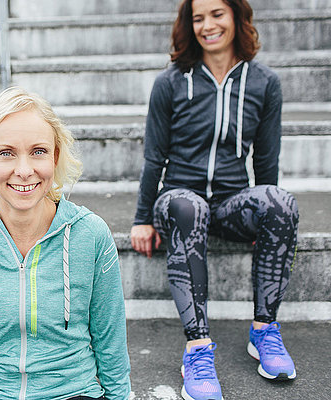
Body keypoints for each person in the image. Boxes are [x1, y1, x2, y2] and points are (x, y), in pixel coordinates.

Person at [130, 0, 299, 399]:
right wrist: (142, 218)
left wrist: (266, 220)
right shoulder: (171, 82)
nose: (208, 25)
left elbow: (267, 159)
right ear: (189, 25)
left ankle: (264, 333)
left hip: (230, 202)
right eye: (198, 17)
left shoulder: (264, 82)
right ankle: (197, 350)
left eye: (217, 14)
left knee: (280, 201)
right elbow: (154, 156)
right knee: (190, 206)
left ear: (237, 17)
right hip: (179, 199)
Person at [0, 86, 131, 400]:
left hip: (73, 392)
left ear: (56, 156)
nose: (24, 171)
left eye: (38, 151)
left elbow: (110, 338)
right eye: (6, 153)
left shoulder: (90, 234)